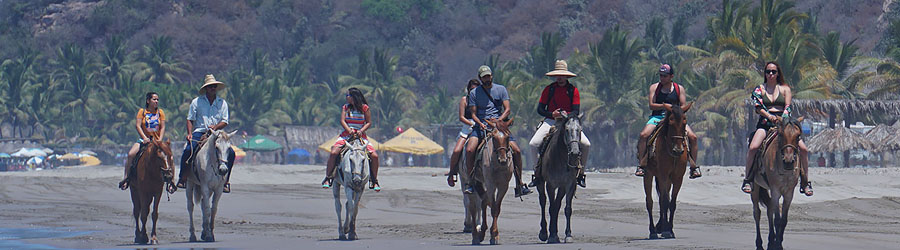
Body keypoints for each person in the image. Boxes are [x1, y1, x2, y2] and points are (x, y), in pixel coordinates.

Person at [742, 62, 813, 196]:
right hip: (765, 123)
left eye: (773, 72)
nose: (770, 74)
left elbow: (788, 106)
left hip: (784, 124)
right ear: (765, 73)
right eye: (768, 71)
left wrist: (783, 118)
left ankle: (805, 181)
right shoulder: (759, 89)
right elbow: (758, 107)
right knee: (753, 147)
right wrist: (769, 116)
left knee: (803, 149)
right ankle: (748, 179)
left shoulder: (785, 89)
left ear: (778, 73)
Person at [463, 65, 531, 197]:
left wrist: (499, 120)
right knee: (470, 149)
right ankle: (470, 182)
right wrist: (480, 124)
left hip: (499, 125)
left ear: (491, 76)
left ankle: (519, 184)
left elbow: (507, 109)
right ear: (480, 78)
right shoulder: (474, 93)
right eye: (484, 77)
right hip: (481, 125)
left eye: (488, 76)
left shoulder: (501, 89)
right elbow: (473, 114)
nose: (487, 79)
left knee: (516, 150)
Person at [528, 60, 590, 188]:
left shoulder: (573, 90)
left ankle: (581, 174)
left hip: (569, 122)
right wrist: (552, 114)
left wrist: (564, 115)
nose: (560, 78)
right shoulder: (549, 90)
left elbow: (576, 110)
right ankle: (537, 174)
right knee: (533, 144)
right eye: (558, 75)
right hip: (551, 121)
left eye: (563, 75)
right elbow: (540, 109)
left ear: (567, 76)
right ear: (555, 76)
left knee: (586, 144)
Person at [635, 64, 701, 179]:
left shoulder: (678, 89)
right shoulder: (654, 88)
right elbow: (651, 105)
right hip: (657, 117)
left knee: (693, 137)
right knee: (643, 135)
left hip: (674, 118)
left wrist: (673, 110)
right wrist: (665, 106)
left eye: (665, 76)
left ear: (671, 76)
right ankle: (642, 164)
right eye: (661, 75)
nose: (662, 78)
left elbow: (682, 106)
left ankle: (693, 167)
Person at [177, 74, 236, 193]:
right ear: (206, 89)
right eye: (210, 87)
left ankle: (225, 181)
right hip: (200, 131)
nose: (212, 88)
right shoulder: (196, 102)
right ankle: (182, 178)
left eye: (214, 86)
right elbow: (190, 119)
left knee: (231, 153)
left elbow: (225, 121)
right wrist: (189, 134)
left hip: (217, 133)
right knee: (189, 150)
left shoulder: (222, 103)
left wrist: (215, 127)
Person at [321, 87, 381, 191]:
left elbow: (369, 122)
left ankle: (374, 180)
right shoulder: (345, 107)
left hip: (361, 136)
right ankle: (328, 177)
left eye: (348, 95)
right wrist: (349, 131)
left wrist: (360, 131)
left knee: (374, 156)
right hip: (346, 135)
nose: (346, 97)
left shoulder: (365, 108)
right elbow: (342, 121)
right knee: (334, 153)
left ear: (353, 97)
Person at [118, 92, 174, 193]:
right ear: (148, 101)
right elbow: (138, 126)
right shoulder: (142, 112)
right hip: (144, 140)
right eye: (154, 99)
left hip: (158, 141)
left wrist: (160, 139)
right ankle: (126, 178)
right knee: (131, 154)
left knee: (170, 156)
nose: (156, 101)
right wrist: (144, 137)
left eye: (157, 100)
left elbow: (163, 127)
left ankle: (171, 182)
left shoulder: (160, 112)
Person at [447, 79, 481, 187]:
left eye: (476, 90)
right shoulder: (464, 100)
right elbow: (461, 117)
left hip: (481, 126)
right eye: (471, 89)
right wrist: (471, 123)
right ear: (468, 90)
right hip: (468, 127)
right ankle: (452, 173)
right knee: (457, 150)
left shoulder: (482, 100)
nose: (473, 92)